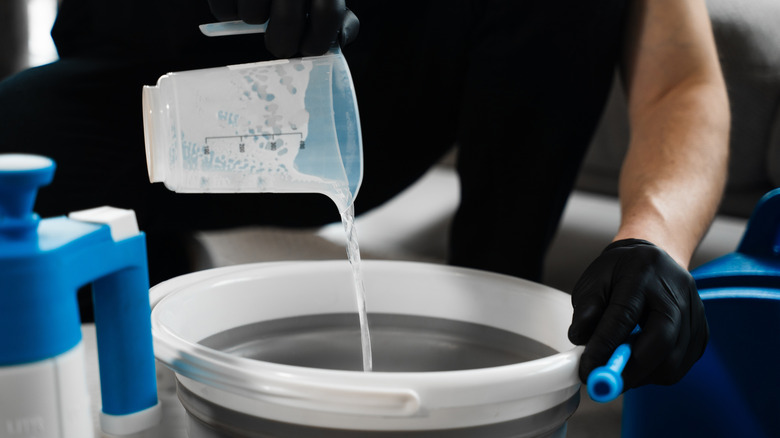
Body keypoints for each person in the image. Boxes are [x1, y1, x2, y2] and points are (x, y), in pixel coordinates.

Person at [0, 0, 728, 390]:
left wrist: (654, 237)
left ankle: (490, 342)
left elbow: (681, 77)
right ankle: (156, 256)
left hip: (360, 102)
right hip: (156, 74)